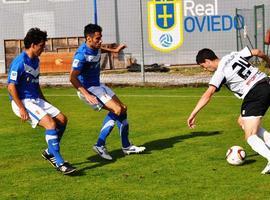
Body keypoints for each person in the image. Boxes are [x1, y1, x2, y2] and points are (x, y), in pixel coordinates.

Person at [187, 46, 270, 174]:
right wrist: (268, 61)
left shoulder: (220, 72)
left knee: (250, 135)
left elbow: (207, 95)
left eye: (203, 66)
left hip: (255, 93)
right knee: (242, 121)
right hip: (266, 83)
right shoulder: (233, 55)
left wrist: (193, 113)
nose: (205, 69)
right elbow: (257, 52)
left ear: (207, 61)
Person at [70, 23, 145, 160]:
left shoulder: (96, 47)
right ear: (88, 38)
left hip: (98, 85)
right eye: (98, 38)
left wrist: (115, 51)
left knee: (123, 109)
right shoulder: (81, 55)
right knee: (116, 110)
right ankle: (99, 144)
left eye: (101, 37)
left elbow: (100, 50)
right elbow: (72, 78)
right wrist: (87, 95)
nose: (100, 41)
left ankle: (126, 146)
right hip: (88, 90)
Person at [7, 28, 76, 175]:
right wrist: (21, 108)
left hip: (36, 99)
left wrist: (44, 100)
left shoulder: (36, 60)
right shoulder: (19, 62)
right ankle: (60, 163)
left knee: (62, 120)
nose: (43, 49)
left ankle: (49, 152)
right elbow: (10, 86)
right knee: (50, 124)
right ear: (33, 45)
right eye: (41, 46)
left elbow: (35, 83)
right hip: (23, 102)